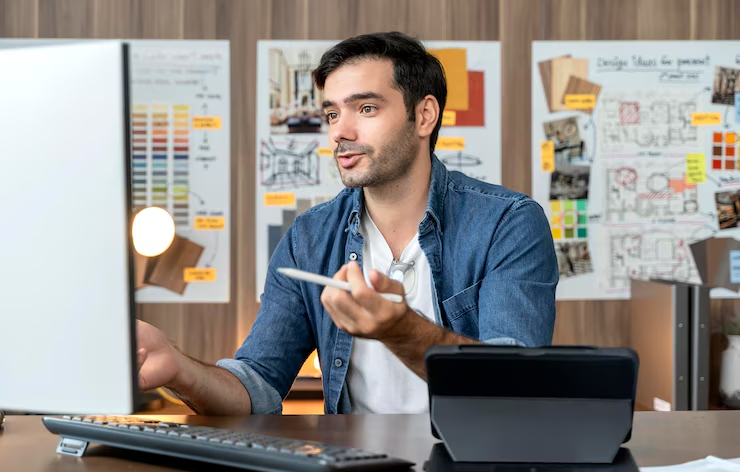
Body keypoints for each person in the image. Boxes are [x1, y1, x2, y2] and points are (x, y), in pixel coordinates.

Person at [136, 31, 558, 415]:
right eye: (333, 114)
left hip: (472, 467)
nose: (340, 131)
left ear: (424, 115)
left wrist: (401, 329)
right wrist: (179, 369)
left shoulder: (508, 223)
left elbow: (514, 385)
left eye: (366, 108)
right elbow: (257, 387)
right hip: (360, 469)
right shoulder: (309, 237)